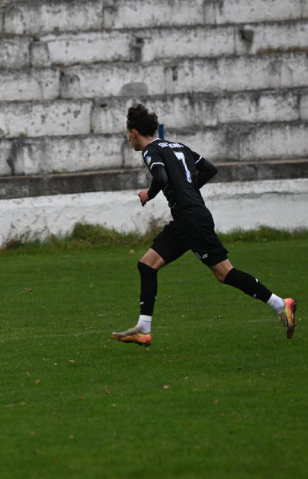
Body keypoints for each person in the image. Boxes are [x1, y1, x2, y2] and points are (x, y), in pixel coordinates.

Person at [112, 104, 295, 346]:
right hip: (189, 218)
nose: (129, 138)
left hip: (191, 220)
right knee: (147, 266)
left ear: (134, 132)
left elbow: (160, 176)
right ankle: (143, 329)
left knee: (224, 273)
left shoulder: (150, 151)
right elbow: (209, 169)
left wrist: (151, 194)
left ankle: (281, 304)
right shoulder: (179, 147)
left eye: (128, 133)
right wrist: (187, 190)